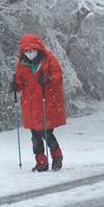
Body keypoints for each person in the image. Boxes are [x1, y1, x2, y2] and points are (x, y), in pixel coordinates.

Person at [10, 33, 66, 171]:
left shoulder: (49, 58)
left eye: (31, 50)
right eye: (26, 51)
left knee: (46, 133)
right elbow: (20, 81)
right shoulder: (22, 63)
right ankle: (41, 161)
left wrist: (49, 80)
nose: (29, 53)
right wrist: (15, 86)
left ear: (38, 48)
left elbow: (58, 76)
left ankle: (56, 156)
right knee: (35, 136)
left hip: (47, 102)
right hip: (31, 105)